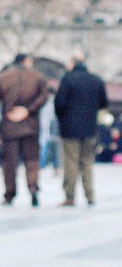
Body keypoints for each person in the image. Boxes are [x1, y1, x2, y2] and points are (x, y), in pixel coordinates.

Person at [0, 53, 47, 206]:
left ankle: (9, 194)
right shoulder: (38, 77)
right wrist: (28, 110)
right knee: (32, 160)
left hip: (9, 127)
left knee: (9, 163)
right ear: (26, 61)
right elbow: (44, 97)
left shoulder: (3, 78)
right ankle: (33, 188)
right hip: (31, 127)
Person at [54, 49, 108, 206]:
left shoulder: (68, 79)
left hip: (70, 128)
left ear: (72, 63)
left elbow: (59, 103)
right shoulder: (96, 80)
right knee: (87, 162)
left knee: (71, 162)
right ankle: (90, 195)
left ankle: (70, 196)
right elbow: (103, 103)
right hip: (90, 127)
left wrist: (63, 118)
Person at [39, 96, 60, 174]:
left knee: (54, 150)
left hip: (52, 132)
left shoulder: (50, 105)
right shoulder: (45, 105)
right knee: (50, 150)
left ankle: (53, 167)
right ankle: (43, 166)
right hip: (47, 132)